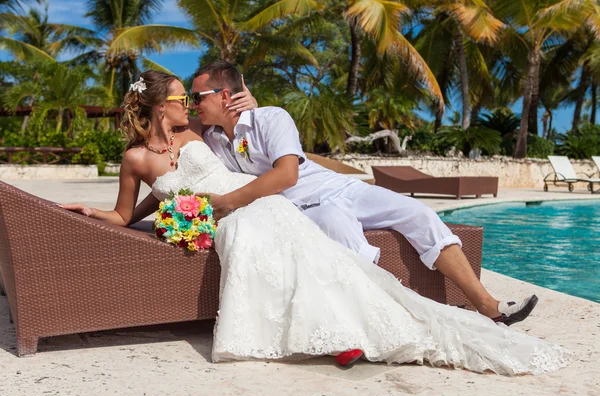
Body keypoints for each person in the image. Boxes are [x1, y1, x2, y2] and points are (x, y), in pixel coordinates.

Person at [62, 70, 571, 375]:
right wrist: (94, 215)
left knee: (322, 249)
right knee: (279, 246)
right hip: (233, 218)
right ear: (159, 106)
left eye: (193, 98)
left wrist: (252, 109)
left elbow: (260, 146)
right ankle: (344, 334)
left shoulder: (204, 132)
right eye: (181, 98)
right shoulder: (141, 156)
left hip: (263, 205)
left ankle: (439, 312)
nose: (190, 105)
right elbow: (132, 211)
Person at [187, 61, 538, 327]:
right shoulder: (213, 140)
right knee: (343, 238)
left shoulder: (270, 118)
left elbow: (288, 174)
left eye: (197, 97)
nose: (192, 104)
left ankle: (487, 305)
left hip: (335, 187)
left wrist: (230, 201)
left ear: (225, 96)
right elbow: (177, 125)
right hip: (302, 210)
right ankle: (386, 315)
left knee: (418, 214)